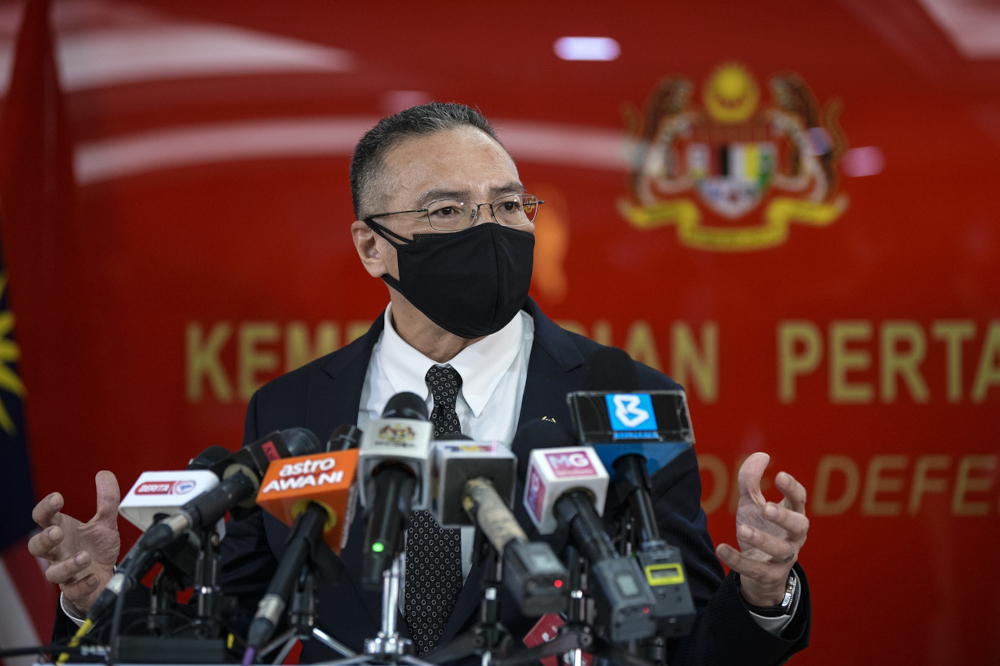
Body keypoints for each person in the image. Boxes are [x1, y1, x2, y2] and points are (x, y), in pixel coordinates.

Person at [30, 102, 810, 664]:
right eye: (447, 210)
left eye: (508, 204)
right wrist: (102, 596)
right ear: (372, 247)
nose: (491, 229)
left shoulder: (620, 395)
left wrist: (763, 595)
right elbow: (238, 626)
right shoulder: (294, 408)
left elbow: (684, 640)